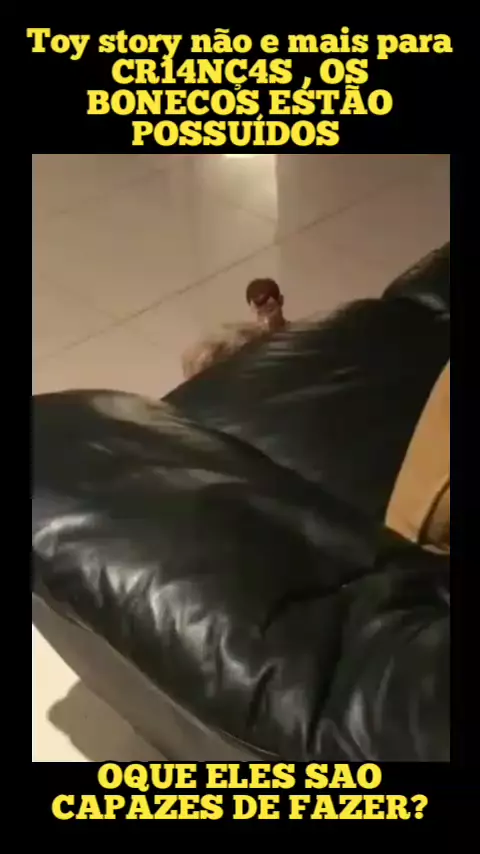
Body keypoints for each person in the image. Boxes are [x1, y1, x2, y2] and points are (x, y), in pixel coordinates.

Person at [182, 279, 287, 380]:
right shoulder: (254, 342)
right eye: (260, 313)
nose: (266, 320)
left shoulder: (293, 334)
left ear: (281, 301)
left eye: (270, 310)